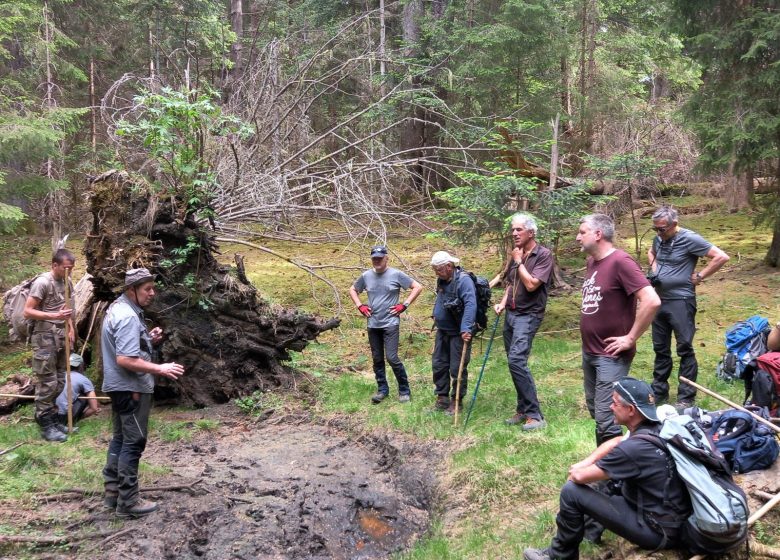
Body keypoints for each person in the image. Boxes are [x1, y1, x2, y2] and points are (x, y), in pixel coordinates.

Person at [523, 377, 691, 560]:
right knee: (610, 481)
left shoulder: (633, 449)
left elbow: (577, 477)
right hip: (672, 520)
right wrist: (587, 462)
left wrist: (577, 471)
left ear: (631, 410)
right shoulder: (658, 428)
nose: (610, 407)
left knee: (571, 492)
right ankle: (590, 534)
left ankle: (559, 555)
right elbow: (618, 441)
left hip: (656, 530)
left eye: (614, 402)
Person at [102, 268, 185, 518]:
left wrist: (148, 339)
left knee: (120, 439)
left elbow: (127, 347)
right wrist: (160, 367)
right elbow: (125, 359)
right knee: (133, 442)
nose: (152, 293)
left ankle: (112, 493)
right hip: (131, 388)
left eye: (152, 288)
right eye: (147, 289)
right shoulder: (127, 316)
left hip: (119, 388)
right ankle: (128, 502)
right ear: (131, 290)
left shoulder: (118, 310)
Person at [578, 214, 660, 445]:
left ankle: (612, 473)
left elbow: (651, 300)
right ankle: (616, 459)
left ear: (598, 234)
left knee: (607, 418)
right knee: (598, 411)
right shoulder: (593, 262)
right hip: (590, 351)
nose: (577, 237)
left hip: (611, 355)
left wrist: (631, 337)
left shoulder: (621, 261)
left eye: (582, 232)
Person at [647, 206, 729, 408]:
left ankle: (686, 396)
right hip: (659, 300)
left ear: (674, 225)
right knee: (660, 348)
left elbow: (721, 256)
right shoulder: (658, 239)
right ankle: (659, 393)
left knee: (684, 347)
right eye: (655, 229)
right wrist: (655, 268)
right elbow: (651, 251)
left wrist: (700, 276)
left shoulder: (690, 238)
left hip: (681, 301)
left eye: (662, 229)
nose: (659, 233)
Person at [493, 213, 553, 431]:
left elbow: (531, 285)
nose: (514, 233)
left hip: (529, 315)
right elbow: (511, 282)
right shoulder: (516, 254)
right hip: (511, 313)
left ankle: (535, 415)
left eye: (518, 230)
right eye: (512, 230)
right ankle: (522, 409)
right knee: (513, 361)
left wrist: (519, 262)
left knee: (517, 360)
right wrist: (502, 303)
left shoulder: (543, 255)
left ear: (531, 232)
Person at [349, 245, 423, 404]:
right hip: (373, 324)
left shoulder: (396, 274)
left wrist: (405, 305)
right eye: (374, 258)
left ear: (386, 258)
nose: (377, 261)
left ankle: (404, 390)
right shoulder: (366, 276)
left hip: (390, 323)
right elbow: (353, 290)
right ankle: (382, 390)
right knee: (377, 358)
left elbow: (417, 287)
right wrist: (360, 305)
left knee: (392, 357)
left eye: (380, 258)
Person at [23, 248, 76, 442]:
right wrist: (53, 316)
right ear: (54, 265)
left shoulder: (67, 281)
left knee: (60, 380)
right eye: (65, 268)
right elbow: (27, 311)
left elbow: (67, 309)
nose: (68, 272)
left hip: (61, 336)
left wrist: (70, 329)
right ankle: (45, 423)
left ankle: (53, 419)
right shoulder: (43, 282)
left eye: (71, 268)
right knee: (47, 382)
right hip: (44, 338)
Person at [430, 251, 477, 415]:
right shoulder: (442, 280)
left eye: (439, 269)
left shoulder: (464, 281)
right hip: (443, 331)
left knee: (457, 368)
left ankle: (457, 402)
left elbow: (471, 305)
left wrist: (466, 328)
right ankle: (442, 398)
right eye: (435, 270)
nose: (436, 273)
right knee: (439, 365)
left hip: (459, 332)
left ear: (449, 266)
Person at [56, 353, 100, 426]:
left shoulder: (58, 376)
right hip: (63, 417)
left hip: (48, 415)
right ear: (81, 366)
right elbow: (94, 408)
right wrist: (81, 416)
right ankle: (71, 422)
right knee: (84, 396)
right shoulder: (84, 380)